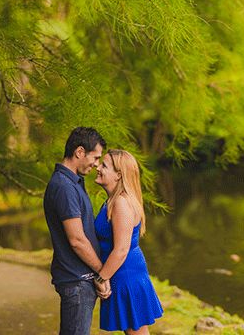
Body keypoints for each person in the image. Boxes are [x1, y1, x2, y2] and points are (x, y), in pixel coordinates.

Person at [43, 127, 112, 335]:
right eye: (95, 157)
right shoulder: (64, 186)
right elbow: (77, 240)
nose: (97, 164)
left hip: (81, 280)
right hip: (76, 280)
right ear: (80, 152)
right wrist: (102, 273)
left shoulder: (73, 182)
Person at [94, 149, 164, 334]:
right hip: (121, 273)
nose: (97, 167)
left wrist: (101, 278)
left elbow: (121, 250)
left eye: (104, 165)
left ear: (118, 175)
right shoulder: (111, 201)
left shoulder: (121, 203)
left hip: (127, 275)